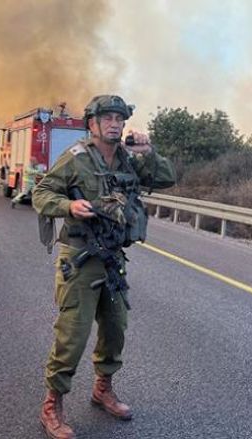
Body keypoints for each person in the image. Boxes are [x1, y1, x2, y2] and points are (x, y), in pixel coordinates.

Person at [32, 95, 176, 438]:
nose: (115, 123)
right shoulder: (76, 159)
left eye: (119, 118)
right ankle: (52, 404)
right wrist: (68, 205)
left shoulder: (129, 160)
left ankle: (103, 389)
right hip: (80, 259)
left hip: (112, 258)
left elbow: (167, 178)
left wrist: (150, 152)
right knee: (73, 335)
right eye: (107, 117)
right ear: (92, 124)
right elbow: (41, 193)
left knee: (115, 330)